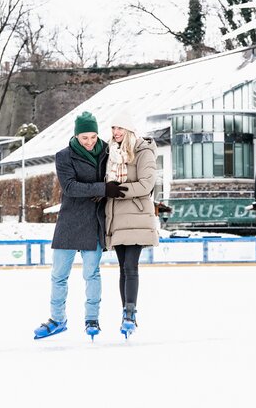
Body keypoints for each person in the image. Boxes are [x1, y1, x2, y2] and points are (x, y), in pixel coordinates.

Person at [33, 111, 128, 340]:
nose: (90, 142)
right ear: (76, 136)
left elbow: (117, 174)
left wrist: (104, 191)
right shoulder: (63, 156)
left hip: (94, 221)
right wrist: (102, 189)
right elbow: (70, 188)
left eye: (93, 136)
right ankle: (57, 319)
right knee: (59, 275)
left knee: (91, 274)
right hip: (69, 221)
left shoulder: (107, 151)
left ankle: (92, 319)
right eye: (85, 137)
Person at [104, 112, 159, 338]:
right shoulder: (110, 153)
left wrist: (119, 191)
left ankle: (130, 313)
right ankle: (125, 312)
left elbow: (147, 184)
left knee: (130, 266)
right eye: (113, 128)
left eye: (120, 128)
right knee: (122, 268)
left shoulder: (143, 151)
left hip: (136, 216)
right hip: (117, 217)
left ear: (130, 130)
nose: (116, 132)